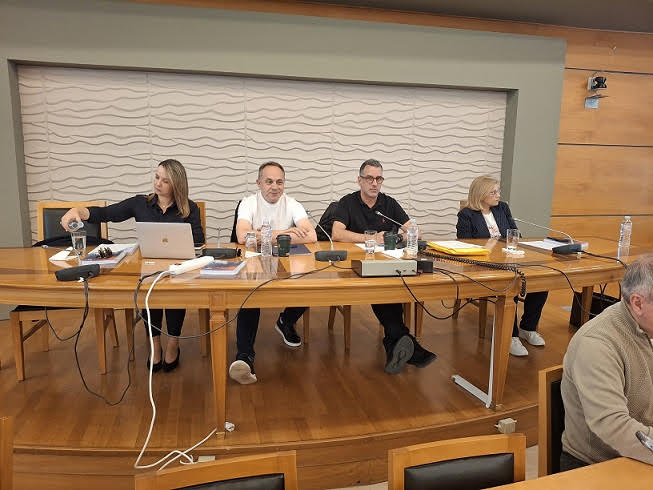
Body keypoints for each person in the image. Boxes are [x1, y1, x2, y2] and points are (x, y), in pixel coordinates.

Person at [60, 159, 204, 373]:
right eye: (157, 177)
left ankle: (173, 343)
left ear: (177, 185)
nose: (158, 183)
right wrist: (78, 211)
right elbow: (106, 214)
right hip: (149, 267)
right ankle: (155, 344)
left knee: (174, 289)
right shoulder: (140, 203)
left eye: (165, 181)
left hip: (177, 267)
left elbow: (199, 242)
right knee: (149, 289)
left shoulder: (189, 208)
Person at [331, 159, 436, 374]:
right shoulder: (347, 202)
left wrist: (396, 236)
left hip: (384, 262)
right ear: (359, 180)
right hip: (354, 265)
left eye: (378, 178)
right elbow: (337, 233)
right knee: (381, 284)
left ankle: (395, 342)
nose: (374, 183)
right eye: (369, 178)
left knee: (390, 282)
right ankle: (405, 343)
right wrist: (370, 238)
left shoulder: (389, 204)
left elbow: (415, 232)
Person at [560, 255, 653, 470]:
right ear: (637, 303)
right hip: (596, 464)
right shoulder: (597, 344)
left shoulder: (646, 325)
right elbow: (613, 427)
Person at [229, 161, 317, 385]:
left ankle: (286, 320)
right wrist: (286, 232)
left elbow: (311, 236)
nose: (275, 187)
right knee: (251, 296)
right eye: (269, 182)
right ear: (258, 183)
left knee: (311, 284)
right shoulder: (248, 203)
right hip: (255, 264)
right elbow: (242, 236)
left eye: (279, 182)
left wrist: (263, 234)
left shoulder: (292, 203)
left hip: (287, 264)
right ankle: (245, 357)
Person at [456, 175, 548, 357]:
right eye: (494, 192)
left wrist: (512, 245)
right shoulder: (466, 214)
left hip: (509, 259)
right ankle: (511, 335)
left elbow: (515, 234)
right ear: (481, 194)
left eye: (498, 191)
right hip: (483, 265)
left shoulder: (502, 208)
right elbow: (465, 244)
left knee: (542, 282)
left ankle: (527, 328)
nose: (498, 195)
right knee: (511, 285)